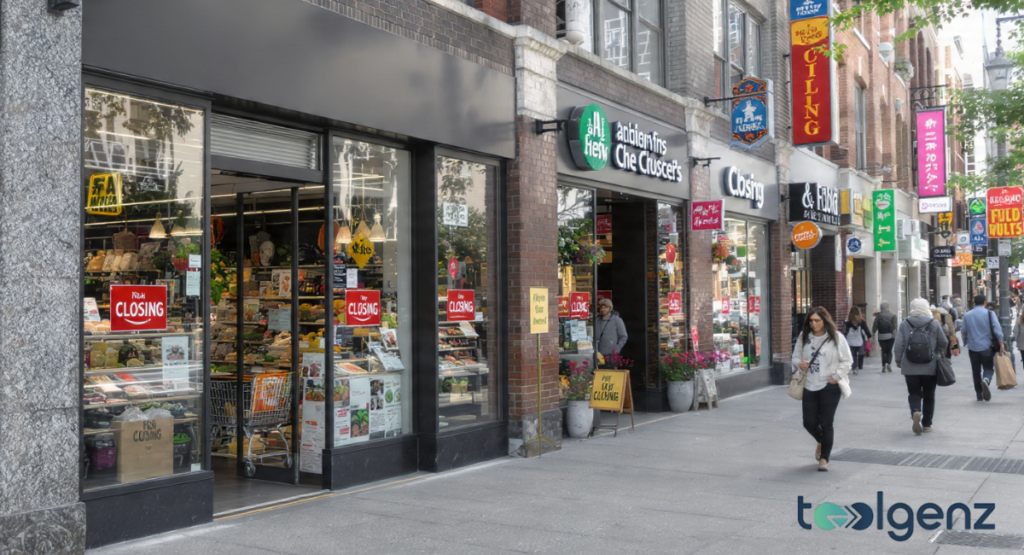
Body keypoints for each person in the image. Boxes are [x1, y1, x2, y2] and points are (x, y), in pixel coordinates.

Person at [792, 306, 852, 472]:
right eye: (811, 320)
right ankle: (822, 441)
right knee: (808, 422)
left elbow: (847, 361)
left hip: (829, 386)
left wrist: (837, 376)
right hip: (809, 384)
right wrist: (799, 363)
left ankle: (824, 458)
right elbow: (795, 356)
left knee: (826, 423)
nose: (813, 324)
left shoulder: (836, 338)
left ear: (825, 321)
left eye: (817, 320)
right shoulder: (804, 337)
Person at [895, 298, 948, 435]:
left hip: (910, 365)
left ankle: (915, 411)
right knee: (929, 394)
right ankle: (927, 424)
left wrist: (898, 360)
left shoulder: (905, 324)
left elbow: (899, 345)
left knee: (913, 392)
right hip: (930, 366)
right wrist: (939, 351)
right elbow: (943, 342)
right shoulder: (934, 323)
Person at [962, 294, 1004, 402]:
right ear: (985, 302)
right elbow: (997, 329)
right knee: (988, 368)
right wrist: (1001, 341)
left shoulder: (967, 315)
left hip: (973, 347)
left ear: (974, 302)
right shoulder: (990, 313)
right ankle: (986, 380)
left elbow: (964, 332)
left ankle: (979, 394)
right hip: (987, 346)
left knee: (975, 371)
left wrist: (965, 342)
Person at [872, 301, 898, 373]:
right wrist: (895, 335)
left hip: (881, 336)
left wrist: (873, 334)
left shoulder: (879, 316)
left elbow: (875, 327)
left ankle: (883, 365)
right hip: (890, 336)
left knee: (883, 351)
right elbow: (895, 327)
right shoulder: (893, 315)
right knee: (889, 351)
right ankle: (888, 363)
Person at [844, 307, 871, 375]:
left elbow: (845, 332)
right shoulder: (862, 322)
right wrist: (869, 337)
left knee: (853, 355)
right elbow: (867, 332)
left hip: (850, 341)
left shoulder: (848, 323)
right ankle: (860, 365)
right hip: (859, 341)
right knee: (861, 353)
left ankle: (854, 367)